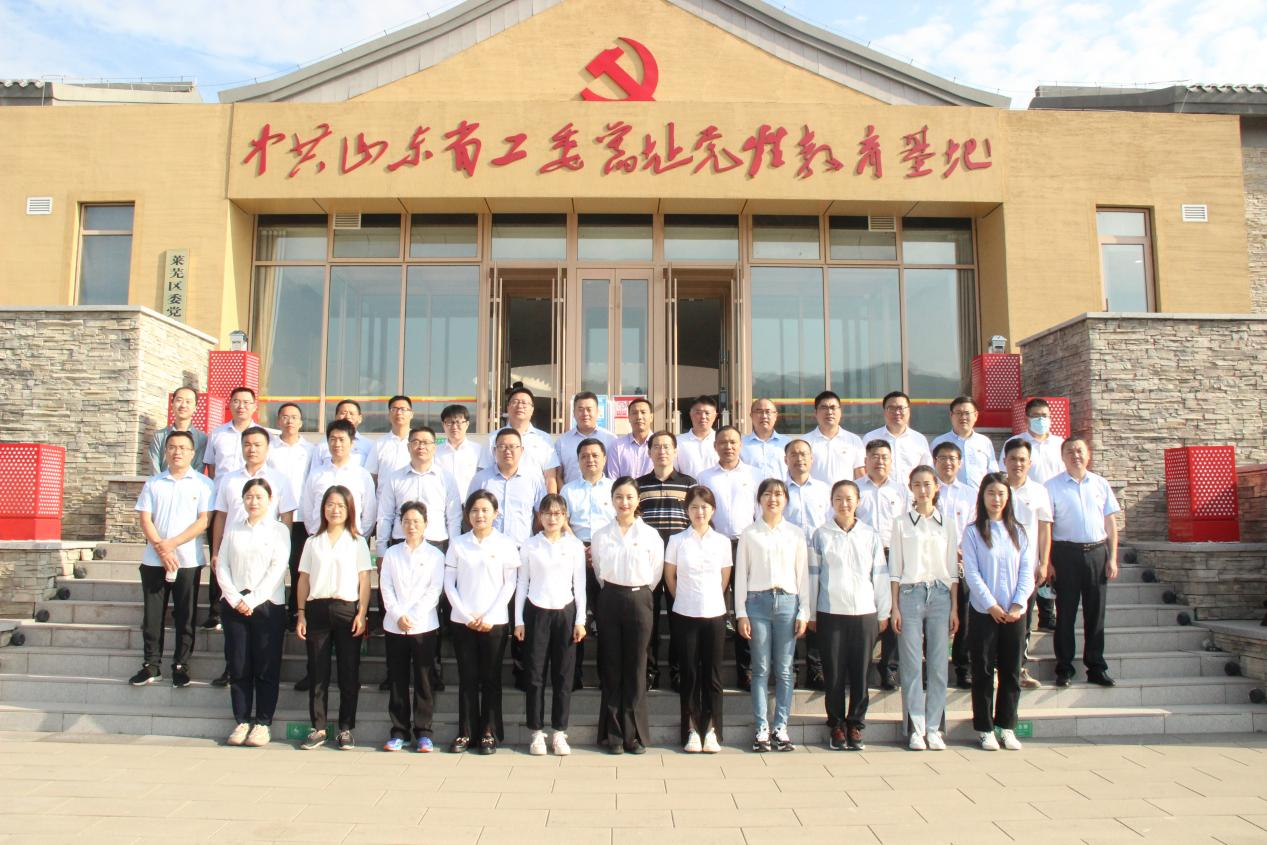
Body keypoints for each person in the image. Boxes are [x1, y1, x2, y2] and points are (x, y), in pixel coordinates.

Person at [209, 425, 296, 686]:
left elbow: (287, 517)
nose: (252, 449)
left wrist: (283, 548)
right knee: (235, 633)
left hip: (266, 558)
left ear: (268, 448)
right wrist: (216, 551)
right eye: (247, 444)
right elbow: (221, 516)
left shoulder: (280, 480)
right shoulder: (229, 480)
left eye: (258, 444)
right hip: (235, 555)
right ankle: (232, 669)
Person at [809, 479, 890, 751]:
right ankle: (836, 725)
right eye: (838, 499)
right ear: (831, 502)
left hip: (865, 612)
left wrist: (883, 611)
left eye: (849, 499)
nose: (844, 504)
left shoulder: (870, 535)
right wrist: (811, 613)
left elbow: (880, 574)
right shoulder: (821, 535)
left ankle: (855, 723)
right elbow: (813, 577)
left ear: (858, 502)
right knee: (833, 672)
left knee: (860, 672)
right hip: (831, 612)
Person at [130, 431, 214, 688]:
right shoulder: (154, 483)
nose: (177, 452)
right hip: (154, 560)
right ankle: (151, 665)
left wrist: (172, 544)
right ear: (165, 452)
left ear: (193, 453)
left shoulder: (203, 484)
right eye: (172, 447)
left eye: (183, 448)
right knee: (153, 616)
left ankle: (181, 665)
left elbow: (204, 521)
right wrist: (162, 549)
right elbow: (145, 519)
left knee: (185, 615)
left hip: (187, 561)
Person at [295, 485, 373, 751]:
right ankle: (318, 728)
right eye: (330, 504)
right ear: (323, 508)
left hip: (346, 609)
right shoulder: (312, 542)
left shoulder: (357, 542)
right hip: (316, 609)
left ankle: (345, 728)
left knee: (348, 672)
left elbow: (365, 579)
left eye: (340, 505)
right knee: (318, 671)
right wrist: (301, 613)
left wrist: (362, 613)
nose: (335, 510)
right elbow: (303, 579)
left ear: (349, 509)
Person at [735, 479, 810, 753]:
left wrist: (804, 610)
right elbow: (741, 575)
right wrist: (741, 613)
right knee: (760, 668)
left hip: (788, 602)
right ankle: (761, 728)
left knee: (785, 669)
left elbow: (802, 575)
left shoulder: (795, 534)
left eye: (778, 494)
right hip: (757, 602)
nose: (773, 499)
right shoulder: (749, 534)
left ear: (786, 499)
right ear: (759, 499)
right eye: (767, 494)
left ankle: (781, 726)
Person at [592, 476, 665, 754]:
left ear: (638, 500)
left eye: (629, 497)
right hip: (610, 597)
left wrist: (637, 592)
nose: (624, 502)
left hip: (640, 599)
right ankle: (613, 734)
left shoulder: (650, 535)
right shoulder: (601, 535)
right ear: (611, 500)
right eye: (619, 497)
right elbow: (599, 571)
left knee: (636, 666)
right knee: (611, 665)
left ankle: (633, 735)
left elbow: (655, 573)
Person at [888, 465, 959, 751]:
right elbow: (895, 569)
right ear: (910, 488)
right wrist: (894, 607)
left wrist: (954, 608)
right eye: (917, 484)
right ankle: (916, 728)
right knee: (912, 664)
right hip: (910, 594)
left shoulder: (947, 523)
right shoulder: (901, 523)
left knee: (939, 666)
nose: (923, 489)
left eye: (928, 484)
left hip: (940, 595)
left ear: (936, 487)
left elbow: (952, 571)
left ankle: (934, 728)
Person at [215, 477, 290, 747]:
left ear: (270, 500)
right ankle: (242, 720)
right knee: (239, 664)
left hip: (267, 605)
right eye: (249, 496)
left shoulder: (279, 531)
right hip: (235, 604)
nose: (253, 501)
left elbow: (277, 568)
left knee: (266, 666)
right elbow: (221, 565)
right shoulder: (233, 529)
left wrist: (253, 600)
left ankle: (263, 723)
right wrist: (236, 599)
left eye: (259, 497)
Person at [961, 472, 1033, 751]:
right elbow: (972, 572)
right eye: (991, 493)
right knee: (982, 671)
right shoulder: (973, 532)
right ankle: (984, 728)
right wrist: (991, 605)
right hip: (984, 612)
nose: (996, 499)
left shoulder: (1019, 531)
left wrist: (1018, 604)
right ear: (982, 496)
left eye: (1001, 493)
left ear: (1008, 497)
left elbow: (1026, 570)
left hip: (1014, 612)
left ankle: (1006, 726)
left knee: (1011, 671)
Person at [446, 490, 518, 754]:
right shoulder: (458, 544)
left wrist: (488, 616)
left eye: (485, 510)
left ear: (495, 513)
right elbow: (449, 583)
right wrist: (466, 616)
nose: (480, 515)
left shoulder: (505, 544)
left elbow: (510, 584)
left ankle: (489, 732)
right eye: (474, 510)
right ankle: (465, 732)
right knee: (467, 678)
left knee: (491, 678)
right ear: (468, 515)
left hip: (494, 622)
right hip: (462, 621)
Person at [1045, 436, 1121, 688]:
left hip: (1097, 553)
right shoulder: (1052, 486)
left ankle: (1096, 667)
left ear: (1088, 454)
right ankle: (1064, 668)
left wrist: (1112, 557)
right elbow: (1047, 526)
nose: (1075, 455)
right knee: (1065, 614)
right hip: (1065, 554)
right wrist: (1048, 561)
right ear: (1062, 456)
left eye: (1079, 451)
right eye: (1069, 451)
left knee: (1095, 613)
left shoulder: (1100, 484)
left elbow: (1110, 523)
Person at [514, 495, 586, 756]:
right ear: (540, 516)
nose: (552, 518)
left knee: (563, 676)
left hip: (565, 612)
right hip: (536, 611)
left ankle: (559, 732)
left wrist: (580, 620)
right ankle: (536, 732)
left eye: (557, 514)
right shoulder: (530, 545)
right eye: (547, 513)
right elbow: (522, 582)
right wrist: (519, 620)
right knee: (535, 675)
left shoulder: (574, 545)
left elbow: (579, 585)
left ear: (565, 516)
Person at [664, 485, 731, 754]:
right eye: (694, 507)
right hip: (685, 613)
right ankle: (691, 728)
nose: (699, 512)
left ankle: (712, 729)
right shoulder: (677, 540)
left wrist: (708, 598)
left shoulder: (722, 542)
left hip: (714, 614)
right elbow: (670, 577)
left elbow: (724, 579)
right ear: (687, 511)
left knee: (713, 675)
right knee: (690, 674)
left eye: (704, 507)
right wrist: (685, 598)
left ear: (712, 510)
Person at [379, 500, 445, 753]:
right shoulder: (392, 554)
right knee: (397, 679)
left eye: (416, 521)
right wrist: (397, 614)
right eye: (406, 521)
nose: (411, 526)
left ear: (426, 524)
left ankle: (424, 732)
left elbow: (434, 590)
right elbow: (386, 587)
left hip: (424, 625)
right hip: (394, 626)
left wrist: (414, 615)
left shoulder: (435, 556)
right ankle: (399, 731)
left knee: (424, 680)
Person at [699, 426, 760, 691]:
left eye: (733, 442)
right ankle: (711, 669)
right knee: (716, 608)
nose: (728, 447)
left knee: (745, 607)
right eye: (723, 442)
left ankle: (746, 671)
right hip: (715, 546)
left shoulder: (755, 475)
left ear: (741, 445)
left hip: (746, 545)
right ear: (715, 446)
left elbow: (760, 512)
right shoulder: (704, 476)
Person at [636, 431, 696, 693]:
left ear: (675, 451)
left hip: (679, 562)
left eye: (667, 447)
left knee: (679, 618)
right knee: (647, 620)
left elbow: (696, 521)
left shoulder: (689, 483)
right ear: (649, 452)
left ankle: (678, 671)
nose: (662, 451)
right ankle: (649, 672)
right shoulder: (638, 485)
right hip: (647, 562)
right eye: (657, 447)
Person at [201, 386, 260, 632]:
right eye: (236, 401)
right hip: (224, 504)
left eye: (246, 402)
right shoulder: (217, 434)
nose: (241, 406)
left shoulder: (262, 435)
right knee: (219, 556)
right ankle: (216, 610)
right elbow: (212, 469)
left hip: (253, 506)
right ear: (230, 404)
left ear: (254, 406)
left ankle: (251, 603)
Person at [559, 438, 615, 690]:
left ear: (604, 459)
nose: (590, 460)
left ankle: (607, 677)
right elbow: (562, 522)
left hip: (608, 556)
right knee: (575, 617)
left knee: (606, 620)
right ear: (578, 460)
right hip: (574, 553)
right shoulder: (568, 490)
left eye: (595, 455)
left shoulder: (614, 488)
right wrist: (580, 549)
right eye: (584, 456)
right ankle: (574, 675)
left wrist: (598, 549)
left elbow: (620, 521)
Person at [857, 439, 911, 690]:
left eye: (884, 457)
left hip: (893, 554)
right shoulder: (856, 489)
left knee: (893, 610)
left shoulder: (901, 491)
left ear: (891, 461)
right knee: (864, 610)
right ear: (865, 461)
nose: (879, 461)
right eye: (874, 456)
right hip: (862, 556)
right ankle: (861, 668)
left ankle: (889, 668)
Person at [1003, 439, 1053, 690]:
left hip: (1028, 569)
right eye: (1013, 459)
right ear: (1004, 461)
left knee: (1023, 621)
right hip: (998, 568)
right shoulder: (996, 488)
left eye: (1022, 459)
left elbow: (1044, 529)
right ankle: (996, 669)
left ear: (1030, 463)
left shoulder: (1039, 491)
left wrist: (1044, 562)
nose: (1018, 464)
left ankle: (1019, 669)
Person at [783, 438, 831, 690]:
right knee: (789, 611)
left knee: (814, 612)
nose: (799, 458)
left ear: (812, 459)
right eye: (793, 454)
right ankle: (789, 668)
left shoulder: (824, 490)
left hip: (818, 557)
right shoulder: (779, 490)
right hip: (786, 558)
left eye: (803, 454)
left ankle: (815, 669)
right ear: (785, 459)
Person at [933, 440, 979, 691]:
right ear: (935, 462)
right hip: (932, 564)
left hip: (962, 563)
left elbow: (975, 527)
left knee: (965, 617)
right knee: (935, 617)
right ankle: (933, 669)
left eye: (952, 458)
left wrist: (963, 550)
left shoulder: (971, 494)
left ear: (960, 463)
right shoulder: (928, 490)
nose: (948, 463)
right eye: (943, 458)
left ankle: (964, 668)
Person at [267, 402, 314, 628]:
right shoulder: (269, 449)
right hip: (273, 517)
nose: (289, 421)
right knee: (272, 563)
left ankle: (295, 610)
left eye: (294, 417)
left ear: (301, 422)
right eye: (285, 417)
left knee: (298, 566)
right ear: (278, 421)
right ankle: (271, 607)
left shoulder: (310, 450)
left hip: (301, 517)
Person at [301, 420, 377, 538]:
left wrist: (359, 538)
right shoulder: (316, 474)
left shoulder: (362, 475)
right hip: (320, 538)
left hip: (352, 539)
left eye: (342, 439)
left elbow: (369, 513)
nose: (337, 444)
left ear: (352, 443)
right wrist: (315, 535)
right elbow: (307, 509)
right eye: (333, 439)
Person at [482, 386, 561, 493]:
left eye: (524, 403)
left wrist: (551, 500)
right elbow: (484, 472)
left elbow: (550, 477)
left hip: (536, 498)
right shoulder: (493, 438)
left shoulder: (544, 439)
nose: (520, 406)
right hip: (500, 497)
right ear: (508, 407)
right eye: (515, 402)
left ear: (532, 409)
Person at [864, 391, 933, 485]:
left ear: (909, 411)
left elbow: (927, 471)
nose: (896, 412)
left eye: (901, 408)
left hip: (911, 492)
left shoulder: (919, 439)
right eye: (891, 408)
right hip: (880, 491)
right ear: (884, 411)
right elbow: (863, 469)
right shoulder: (870, 438)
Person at [930, 396, 999, 489]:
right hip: (948, 495)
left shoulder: (984, 442)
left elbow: (993, 473)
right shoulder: (939, 442)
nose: (963, 417)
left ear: (975, 415)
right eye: (958, 413)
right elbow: (931, 473)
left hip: (979, 496)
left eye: (967, 413)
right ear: (951, 415)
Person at [802, 390, 864, 485]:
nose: (829, 412)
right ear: (815, 413)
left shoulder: (854, 440)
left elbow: (860, 475)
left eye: (833, 407)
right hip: (814, 494)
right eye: (824, 408)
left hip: (845, 494)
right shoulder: (804, 442)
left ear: (840, 412)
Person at [556, 392, 617, 486]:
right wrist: (564, 493)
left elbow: (614, 473)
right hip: (571, 493)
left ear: (597, 412)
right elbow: (558, 475)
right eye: (580, 409)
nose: (585, 414)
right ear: (574, 413)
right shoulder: (562, 441)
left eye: (589, 409)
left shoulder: (611, 439)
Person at [147, 385, 207, 475]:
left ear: (195, 408)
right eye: (179, 400)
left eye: (188, 402)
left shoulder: (202, 438)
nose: (183, 405)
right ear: (172, 404)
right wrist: (162, 482)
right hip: (162, 482)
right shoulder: (159, 436)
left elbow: (199, 469)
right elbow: (154, 467)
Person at [1003, 398, 1064, 484]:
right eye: (1036, 416)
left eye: (1044, 416)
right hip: (1026, 492)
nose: (1041, 419)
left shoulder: (1060, 443)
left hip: (1055, 491)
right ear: (1026, 420)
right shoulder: (1014, 442)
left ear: (1050, 418)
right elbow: (1004, 473)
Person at [313, 399, 380, 475]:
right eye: (343, 413)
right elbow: (314, 473)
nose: (347, 416)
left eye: (351, 413)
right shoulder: (322, 444)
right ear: (336, 417)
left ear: (360, 418)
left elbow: (373, 474)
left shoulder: (370, 445)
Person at [436, 404, 484, 500]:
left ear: (467, 424)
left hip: (470, 503)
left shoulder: (478, 451)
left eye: (458, 422)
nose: (454, 426)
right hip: (442, 502)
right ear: (443, 425)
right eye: (449, 422)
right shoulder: (435, 452)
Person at [741, 398, 790, 482]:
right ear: (751, 415)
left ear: (775, 416)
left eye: (768, 412)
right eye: (759, 412)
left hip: (780, 489)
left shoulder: (787, 443)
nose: (764, 416)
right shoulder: (741, 444)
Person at [607, 397, 654, 480]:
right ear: (629, 417)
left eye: (643, 412)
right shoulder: (617, 446)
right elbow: (613, 479)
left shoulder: (659, 445)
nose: (639, 417)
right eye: (634, 413)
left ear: (651, 417)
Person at [675, 395, 720, 479]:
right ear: (690, 414)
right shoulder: (678, 442)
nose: (703, 417)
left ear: (715, 416)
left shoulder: (722, 440)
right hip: (688, 487)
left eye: (707, 413)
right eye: (698, 413)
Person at [374, 395, 416, 479]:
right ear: (389, 414)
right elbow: (372, 475)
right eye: (394, 409)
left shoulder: (419, 441)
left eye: (403, 409)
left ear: (411, 414)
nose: (399, 413)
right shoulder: (379, 444)